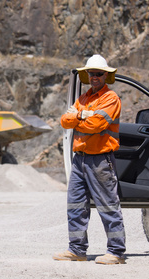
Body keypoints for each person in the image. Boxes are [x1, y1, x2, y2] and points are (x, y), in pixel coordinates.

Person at [53, 54, 126, 265]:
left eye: (98, 73)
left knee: (108, 205)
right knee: (76, 205)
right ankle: (77, 250)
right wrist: (82, 115)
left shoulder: (111, 98)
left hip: (100, 160)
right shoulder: (84, 98)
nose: (94, 76)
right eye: (91, 73)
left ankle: (116, 252)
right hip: (80, 159)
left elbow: (96, 125)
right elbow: (65, 121)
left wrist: (79, 116)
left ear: (105, 76)